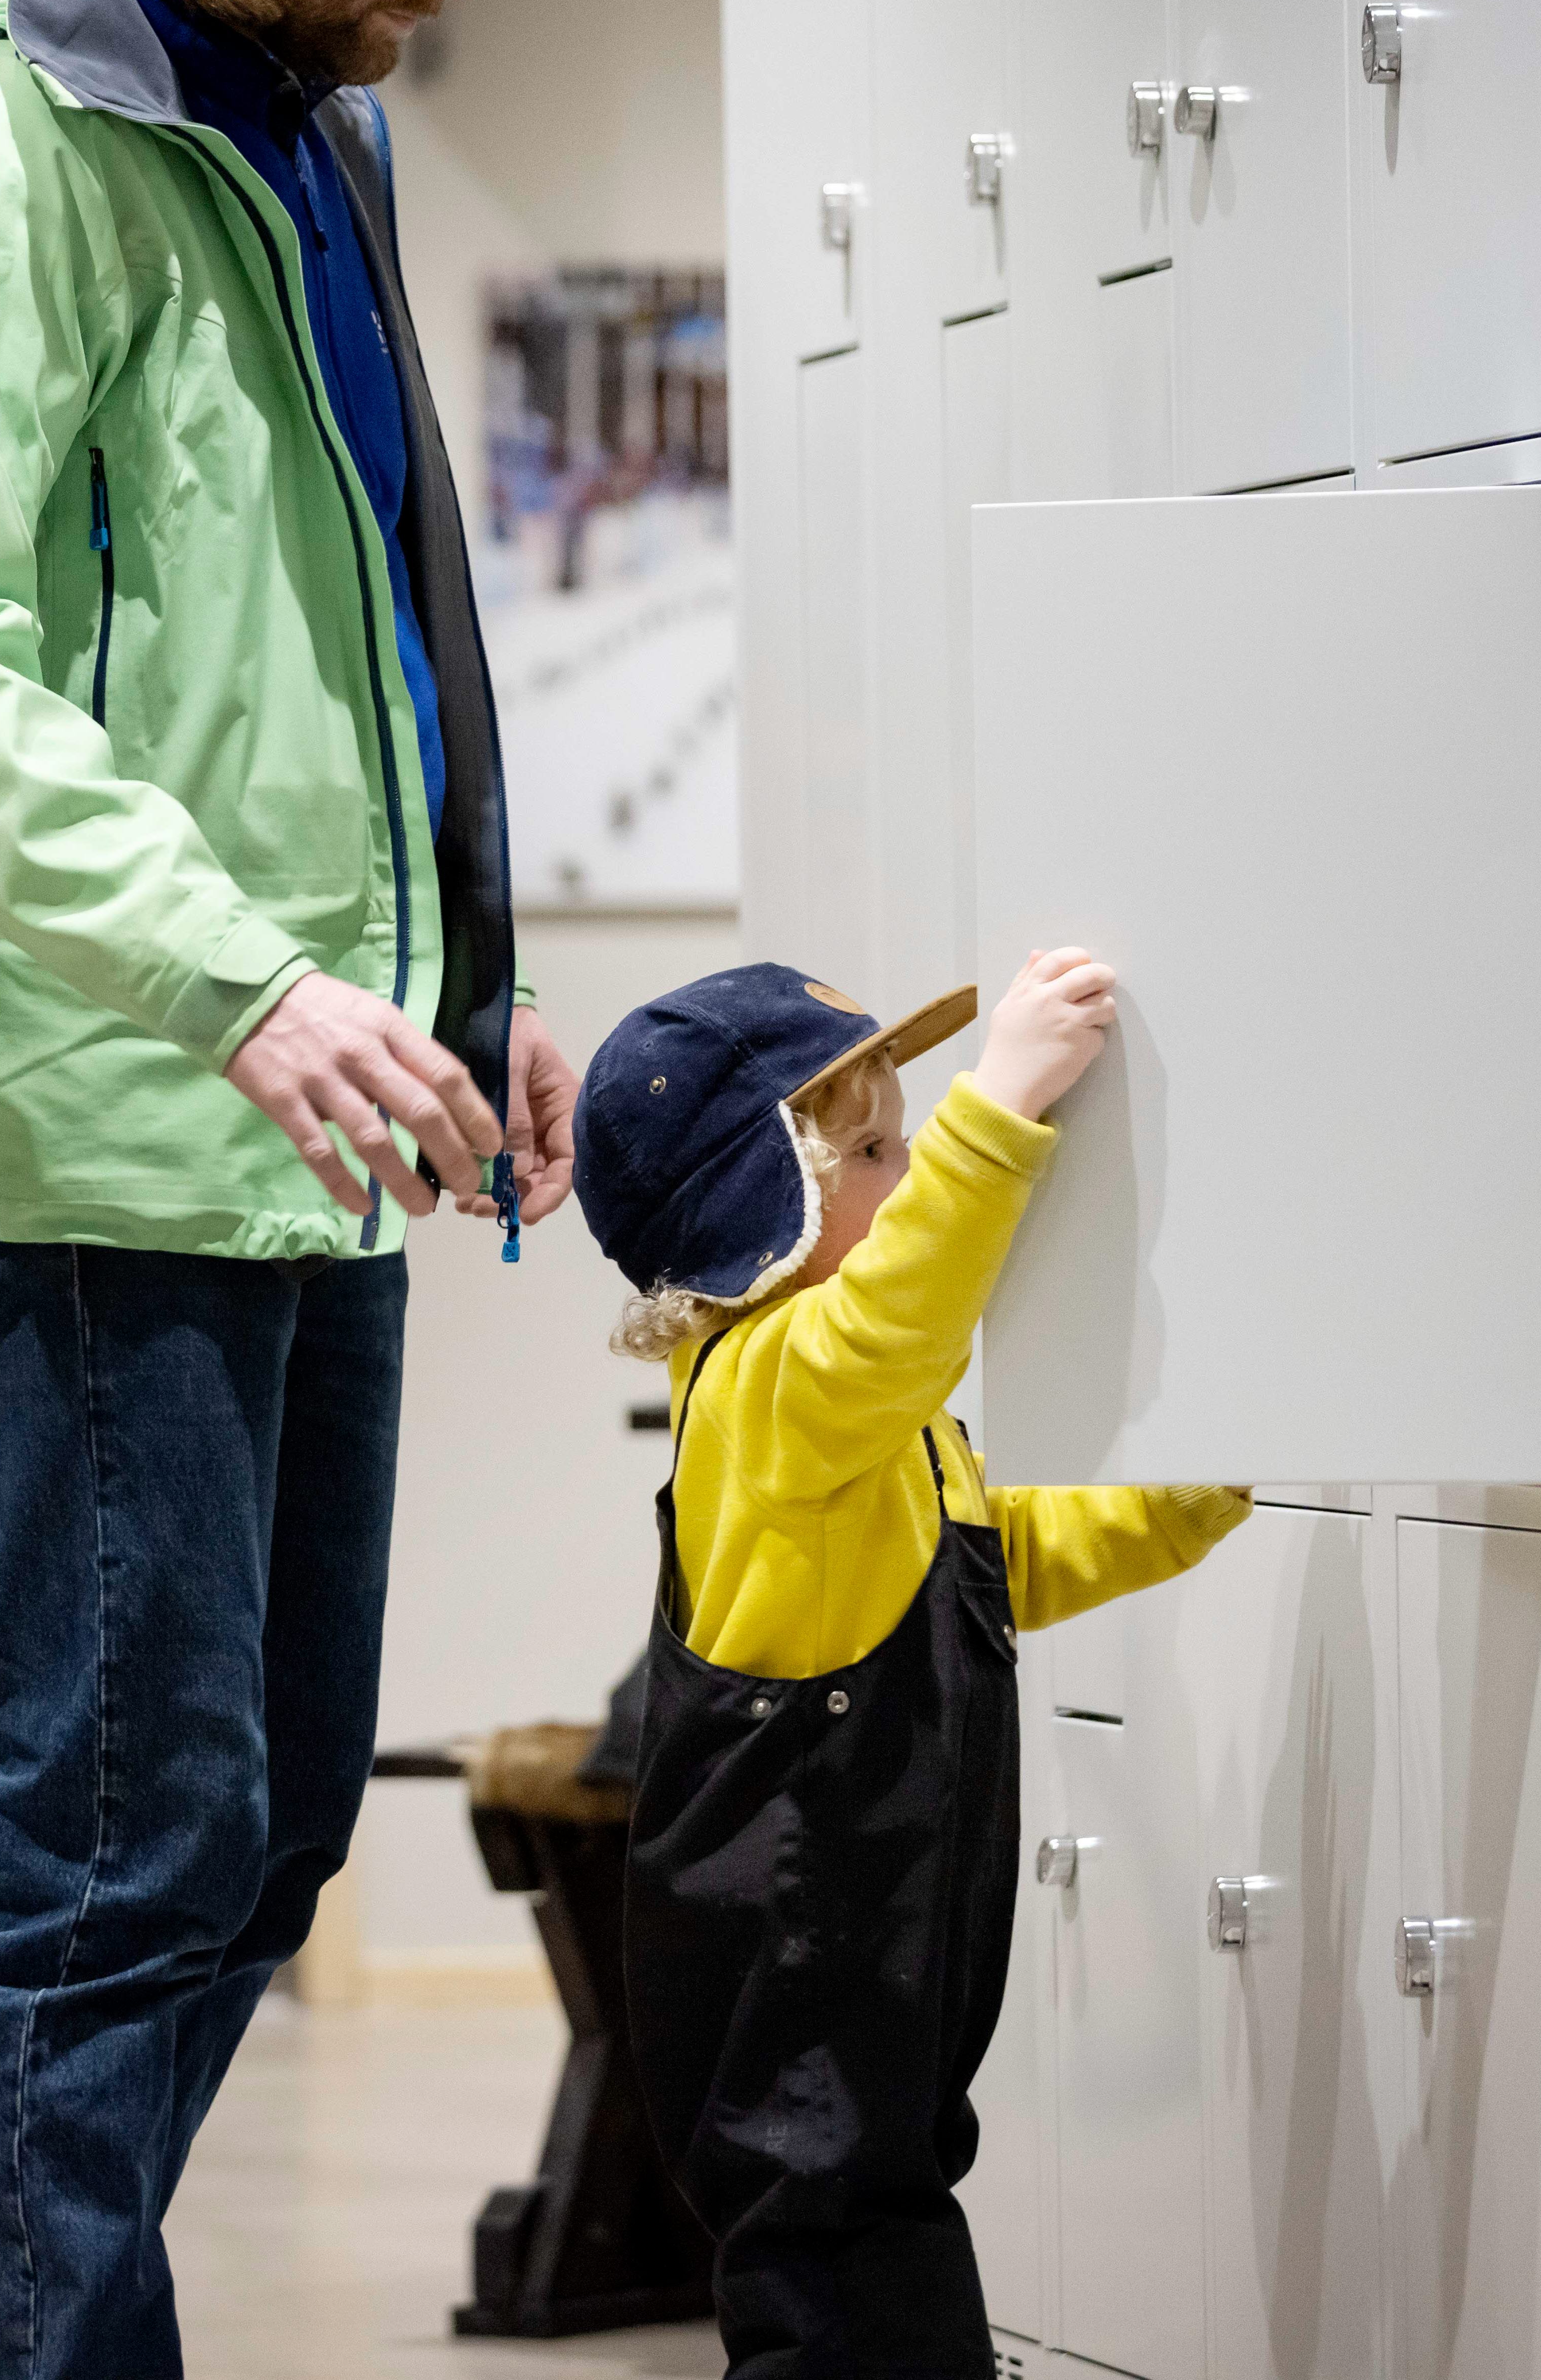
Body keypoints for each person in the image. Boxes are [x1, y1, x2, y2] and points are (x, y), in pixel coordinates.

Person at [0, 0, 574, 2365]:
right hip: (98, 1084)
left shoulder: (304, 123)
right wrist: (245, 982)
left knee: (263, 1827)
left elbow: (366, 624)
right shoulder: (11, 146)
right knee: (128, 1832)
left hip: (305, 1092)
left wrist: (471, 979)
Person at [573, 951, 1254, 2376]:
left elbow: (996, 1563)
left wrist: (1208, 1483)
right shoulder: (776, 1387)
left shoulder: (862, 1436)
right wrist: (998, 1106)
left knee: (890, 2294)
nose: (901, 1174)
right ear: (768, 1206)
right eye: (871, 1151)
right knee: (838, 2307)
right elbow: (900, 1318)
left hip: (868, 2035)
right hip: (792, 2011)